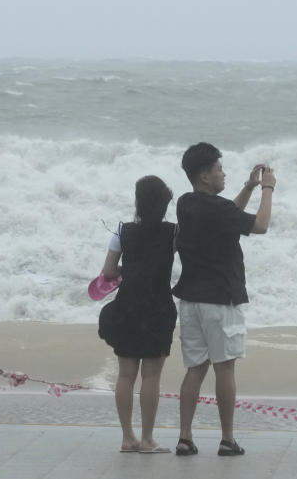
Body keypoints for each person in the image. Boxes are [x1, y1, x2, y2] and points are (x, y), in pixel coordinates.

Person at [171, 142, 275, 457]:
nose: (222, 173)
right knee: (225, 369)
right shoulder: (216, 210)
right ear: (204, 176)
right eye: (218, 169)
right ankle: (227, 439)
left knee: (195, 369)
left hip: (190, 300)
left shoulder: (186, 203)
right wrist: (267, 190)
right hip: (220, 300)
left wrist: (247, 186)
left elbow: (228, 212)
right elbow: (260, 226)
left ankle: (185, 438)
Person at [97, 175, 178, 453]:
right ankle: (147, 439)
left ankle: (127, 438)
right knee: (151, 377)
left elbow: (108, 271)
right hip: (158, 308)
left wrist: (128, 272)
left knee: (125, 376)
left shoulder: (122, 230)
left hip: (127, 306)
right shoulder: (173, 232)